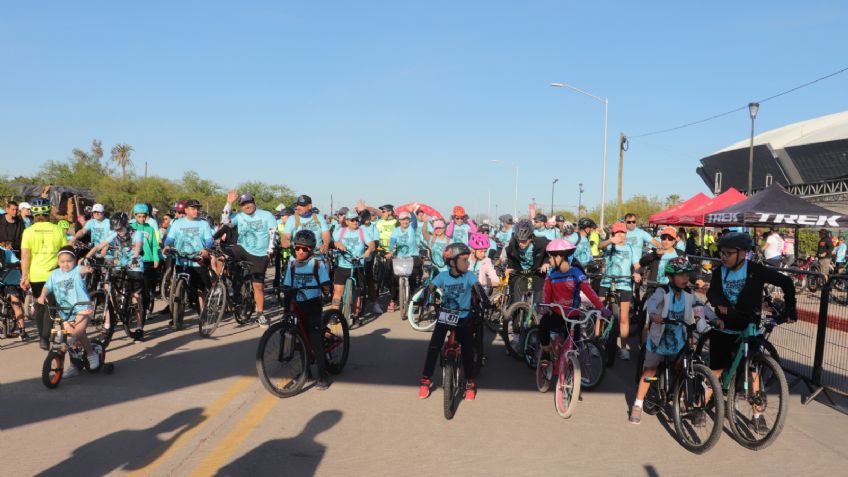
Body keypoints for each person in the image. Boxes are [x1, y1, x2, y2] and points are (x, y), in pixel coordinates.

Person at [706, 231, 796, 432]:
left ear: (743, 253)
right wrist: (720, 304)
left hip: (749, 324)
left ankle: (757, 415)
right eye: (722, 253)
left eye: (728, 253)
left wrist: (790, 309)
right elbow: (712, 293)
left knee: (753, 370)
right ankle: (699, 404)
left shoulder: (755, 270)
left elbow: (786, 283)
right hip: (726, 324)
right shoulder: (719, 271)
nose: (723, 257)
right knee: (717, 369)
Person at [630, 257, 708, 424]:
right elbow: (651, 304)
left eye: (687, 274)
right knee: (650, 371)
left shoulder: (689, 294)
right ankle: (638, 403)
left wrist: (714, 319)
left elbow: (701, 306)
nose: (685, 278)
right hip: (660, 339)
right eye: (680, 275)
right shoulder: (662, 291)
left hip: (678, 340)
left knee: (682, 370)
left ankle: (679, 402)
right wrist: (655, 315)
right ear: (671, 277)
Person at [418, 243, 490, 400]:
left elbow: (477, 287)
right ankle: (426, 379)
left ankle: (470, 381)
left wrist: (485, 299)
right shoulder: (442, 276)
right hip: (445, 315)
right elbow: (430, 287)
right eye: (464, 260)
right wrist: (423, 298)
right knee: (434, 346)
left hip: (463, 316)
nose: (468, 263)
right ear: (452, 262)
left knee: (467, 350)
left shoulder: (469, 275)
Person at [537, 239, 608, 364]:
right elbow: (546, 293)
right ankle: (546, 353)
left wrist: (601, 307)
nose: (549, 261)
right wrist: (546, 307)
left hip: (573, 317)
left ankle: (570, 371)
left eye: (550, 258)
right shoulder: (551, 274)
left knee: (574, 349)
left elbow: (589, 292)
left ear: (559, 257)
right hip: (556, 314)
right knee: (543, 325)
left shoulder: (576, 273)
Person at [37, 246, 99, 377]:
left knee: (79, 332)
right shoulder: (55, 274)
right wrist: (42, 296)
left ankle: (91, 354)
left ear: (74, 260)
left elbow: (82, 270)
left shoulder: (77, 270)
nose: (66, 264)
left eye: (69, 261)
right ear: (58, 262)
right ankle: (75, 365)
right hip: (65, 311)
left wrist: (86, 269)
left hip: (82, 308)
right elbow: (47, 286)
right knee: (71, 340)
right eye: (62, 261)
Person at [282, 230, 332, 390]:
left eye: (304, 249)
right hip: (297, 303)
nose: (300, 252)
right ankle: (306, 371)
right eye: (297, 248)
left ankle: (323, 375)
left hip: (312, 303)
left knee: (315, 338)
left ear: (311, 250)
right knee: (300, 338)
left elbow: (325, 285)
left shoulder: (317, 263)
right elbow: (287, 285)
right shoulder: (291, 264)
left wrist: (325, 294)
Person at [87, 213, 145, 342]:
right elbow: (99, 245)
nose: (118, 232)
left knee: (136, 297)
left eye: (120, 229)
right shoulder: (115, 234)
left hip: (134, 266)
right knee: (108, 287)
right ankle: (110, 319)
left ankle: (139, 326)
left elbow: (138, 246)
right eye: (116, 230)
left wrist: (135, 257)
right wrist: (87, 256)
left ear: (126, 225)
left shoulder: (137, 233)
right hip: (119, 265)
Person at [223, 191, 278, 327]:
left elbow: (273, 232)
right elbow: (225, 222)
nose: (246, 206)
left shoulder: (266, 215)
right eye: (243, 204)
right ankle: (226, 285)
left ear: (254, 202)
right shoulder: (239, 216)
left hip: (260, 254)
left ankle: (260, 314)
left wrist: (270, 250)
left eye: (248, 203)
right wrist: (229, 203)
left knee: (258, 286)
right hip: (243, 249)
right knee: (222, 254)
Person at [20, 198, 67, 349]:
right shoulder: (58, 230)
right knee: (51, 305)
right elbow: (65, 253)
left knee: (40, 305)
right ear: (48, 212)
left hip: (35, 275)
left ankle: (42, 337)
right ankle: (46, 336)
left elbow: (25, 256)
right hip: (53, 274)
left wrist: (24, 276)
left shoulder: (28, 231)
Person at [599, 221, 641, 360]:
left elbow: (636, 264)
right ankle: (596, 344)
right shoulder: (609, 245)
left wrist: (637, 272)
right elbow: (600, 246)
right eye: (617, 232)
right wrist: (610, 240)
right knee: (600, 313)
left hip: (624, 284)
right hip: (607, 282)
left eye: (622, 232)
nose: (620, 235)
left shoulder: (630, 247)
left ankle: (623, 348)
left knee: (623, 318)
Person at [163, 199, 214, 311]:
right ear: (186, 210)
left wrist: (206, 249)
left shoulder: (203, 223)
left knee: (200, 289)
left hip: (198, 260)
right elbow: (170, 238)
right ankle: (176, 314)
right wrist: (167, 246)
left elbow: (209, 240)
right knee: (179, 288)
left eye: (197, 209)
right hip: (181, 259)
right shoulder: (177, 223)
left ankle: (203, 312)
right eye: (193, 208)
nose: (196, 211)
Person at [331, 210, 375, 322]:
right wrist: (337, 244)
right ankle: (334, 314)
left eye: (357, 219)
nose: (355, 222)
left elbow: (372, 245)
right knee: (338, 291)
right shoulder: (341, 231)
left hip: (358, 265)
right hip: (342, 265)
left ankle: (356, 314)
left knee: (357, 291)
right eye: (352, 220)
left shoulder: (362, 232)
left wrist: (368, 251)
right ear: (347, 221)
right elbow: (331, 242)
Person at [386, 210, 421, 313]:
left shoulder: (412, 228)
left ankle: (414, 302)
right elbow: (392, 242)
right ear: (399, 220)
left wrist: (411, 211)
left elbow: (414, 221)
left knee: (413, 279)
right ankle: (394, 300)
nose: (405, 221)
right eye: (403, 219)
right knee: (394, 278)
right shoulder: (396, 230)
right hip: (400, 257)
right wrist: (391, 252)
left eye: (407, 219)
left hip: (412, 256)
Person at [129, 203, 161, 315]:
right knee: (133, 288)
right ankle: (133, 309)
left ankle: (146, 310)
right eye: (139, 216)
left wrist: (156, 258)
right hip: (133, 261)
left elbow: (155, 245)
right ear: (135, 215)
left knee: (146, 288)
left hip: (148, 260)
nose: (142, 219)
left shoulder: (150, 228)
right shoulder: (130, 227)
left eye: (144, 216)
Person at [0, 243, 28, 340]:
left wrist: (15, 264)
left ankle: (22, 330)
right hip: (0, 280)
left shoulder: (7, 253)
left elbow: (18, 263)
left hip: (11, 278)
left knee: (15, 303)